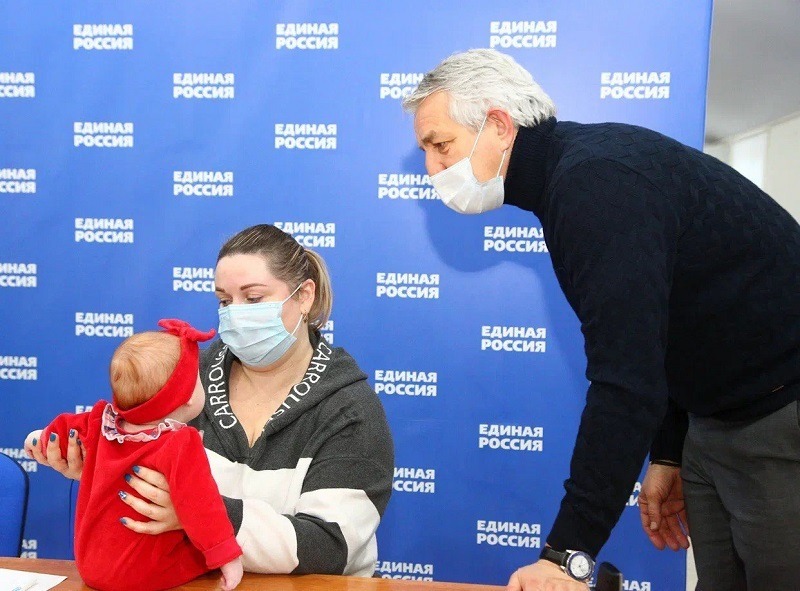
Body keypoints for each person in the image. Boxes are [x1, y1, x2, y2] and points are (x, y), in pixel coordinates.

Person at [402, 48, 800, 590]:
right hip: (713, 422)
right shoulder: (573, 176)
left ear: (498, 125)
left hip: (778, 417)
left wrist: (567, 555)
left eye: (440, 145)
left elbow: (625, 381)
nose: (431, 169)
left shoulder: (595, 183)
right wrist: (668, 451)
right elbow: (661, 329)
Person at [30, 224, 395, 577]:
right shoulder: (186, 383)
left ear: (304, 296)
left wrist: (197, 513)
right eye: (224, 300)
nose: (235, 312)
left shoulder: (349, 409)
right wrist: (104, 468)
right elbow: (142, 475)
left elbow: (330, 547)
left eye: (253, 298)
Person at [24, 319, 243, 591]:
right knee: (197, 558)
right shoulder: (180, 443)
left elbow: (64, 429)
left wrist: (40, 438)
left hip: (90, 567)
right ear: (187, 395)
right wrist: (226, 555)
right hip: (141, 574)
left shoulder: (100, 423)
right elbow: (202, 504)